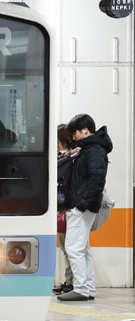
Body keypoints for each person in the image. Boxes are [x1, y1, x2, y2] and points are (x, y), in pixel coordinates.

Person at [58, 113, 112, 302]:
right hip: (81, 205)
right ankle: (87, 288)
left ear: (85, 130)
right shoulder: (87, 149)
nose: (72, 138)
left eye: (74, 134)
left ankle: (80, 288)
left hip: (82, 206)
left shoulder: (94, 150)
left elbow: (97, 179)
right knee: (82, 249)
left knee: (73, 248)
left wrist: (81, 204)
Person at [54, 124, 74, 294]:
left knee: (70, 249)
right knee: (66, 249)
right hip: (63, 209)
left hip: (68, 209)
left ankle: (72, 283)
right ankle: (69, 281)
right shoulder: (64, 157)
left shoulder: (73, 157)